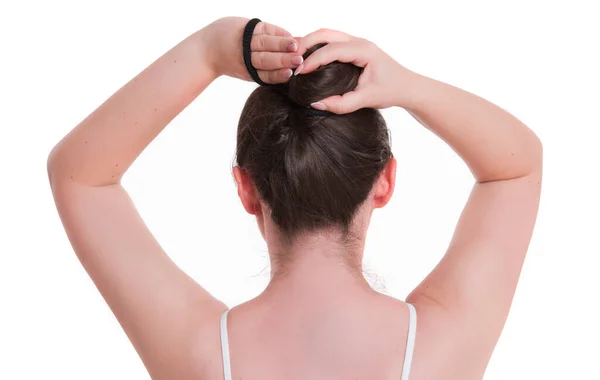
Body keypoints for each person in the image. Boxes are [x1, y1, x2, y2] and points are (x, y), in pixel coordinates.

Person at [47, 16, 543, 380]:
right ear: (385, 181)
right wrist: (407, 87)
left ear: (246, 189)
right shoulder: (439, 350)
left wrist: (208, 51)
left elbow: (79, 175)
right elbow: (516, 167)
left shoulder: (200, 354)